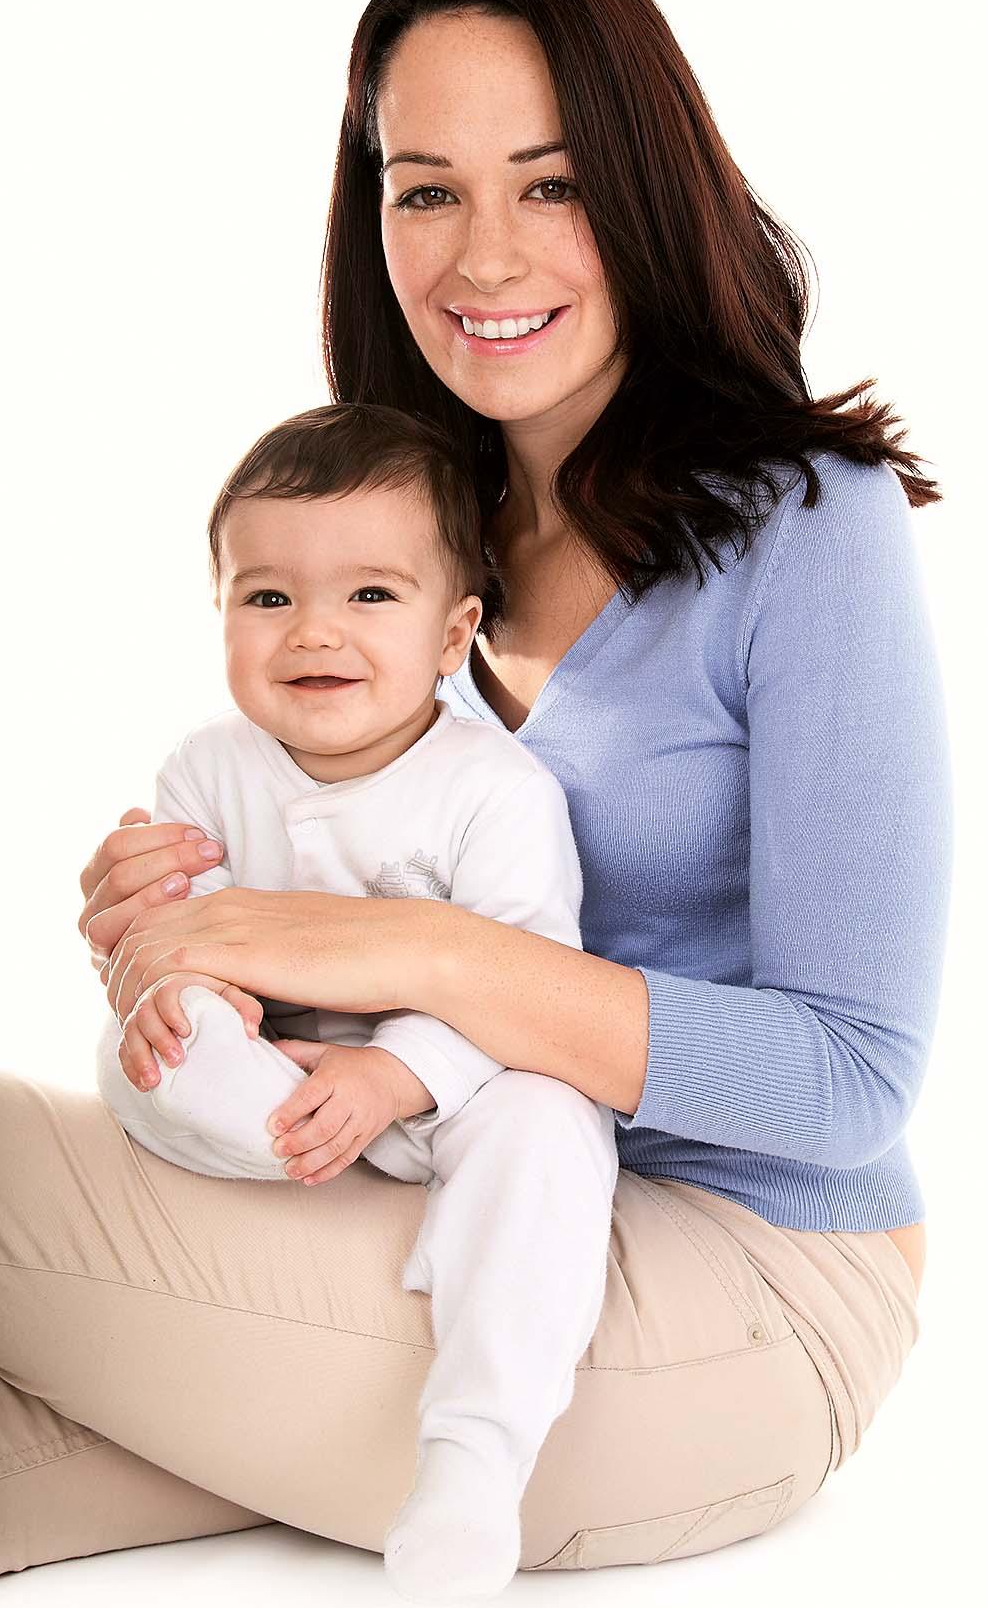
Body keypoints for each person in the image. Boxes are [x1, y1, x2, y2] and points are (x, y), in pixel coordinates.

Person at [0, 0, 952, 1590]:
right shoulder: (408, 547)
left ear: (646, 194)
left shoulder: (804, 529)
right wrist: (187, 935)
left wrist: (400, 948)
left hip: (738, 1290)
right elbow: (326, 920)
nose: (482, 255)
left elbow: (850, 1080)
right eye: (424, 190)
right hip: (424, 1212)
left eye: (548, 183)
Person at [94, 399, 620, 1600]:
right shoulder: (206, 769)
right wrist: (175, 984)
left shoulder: (493, 791)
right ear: (219, 610)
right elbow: (182, 931)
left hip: (449, 1092)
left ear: (453, 632)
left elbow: (531, 975)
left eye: (370, 594)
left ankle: (472, 1462)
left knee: (551, 1122)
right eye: (267, 596)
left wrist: (395, 1074)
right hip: (272, 1085)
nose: (313, 631)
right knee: (154, 1043)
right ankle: (298, 1172)